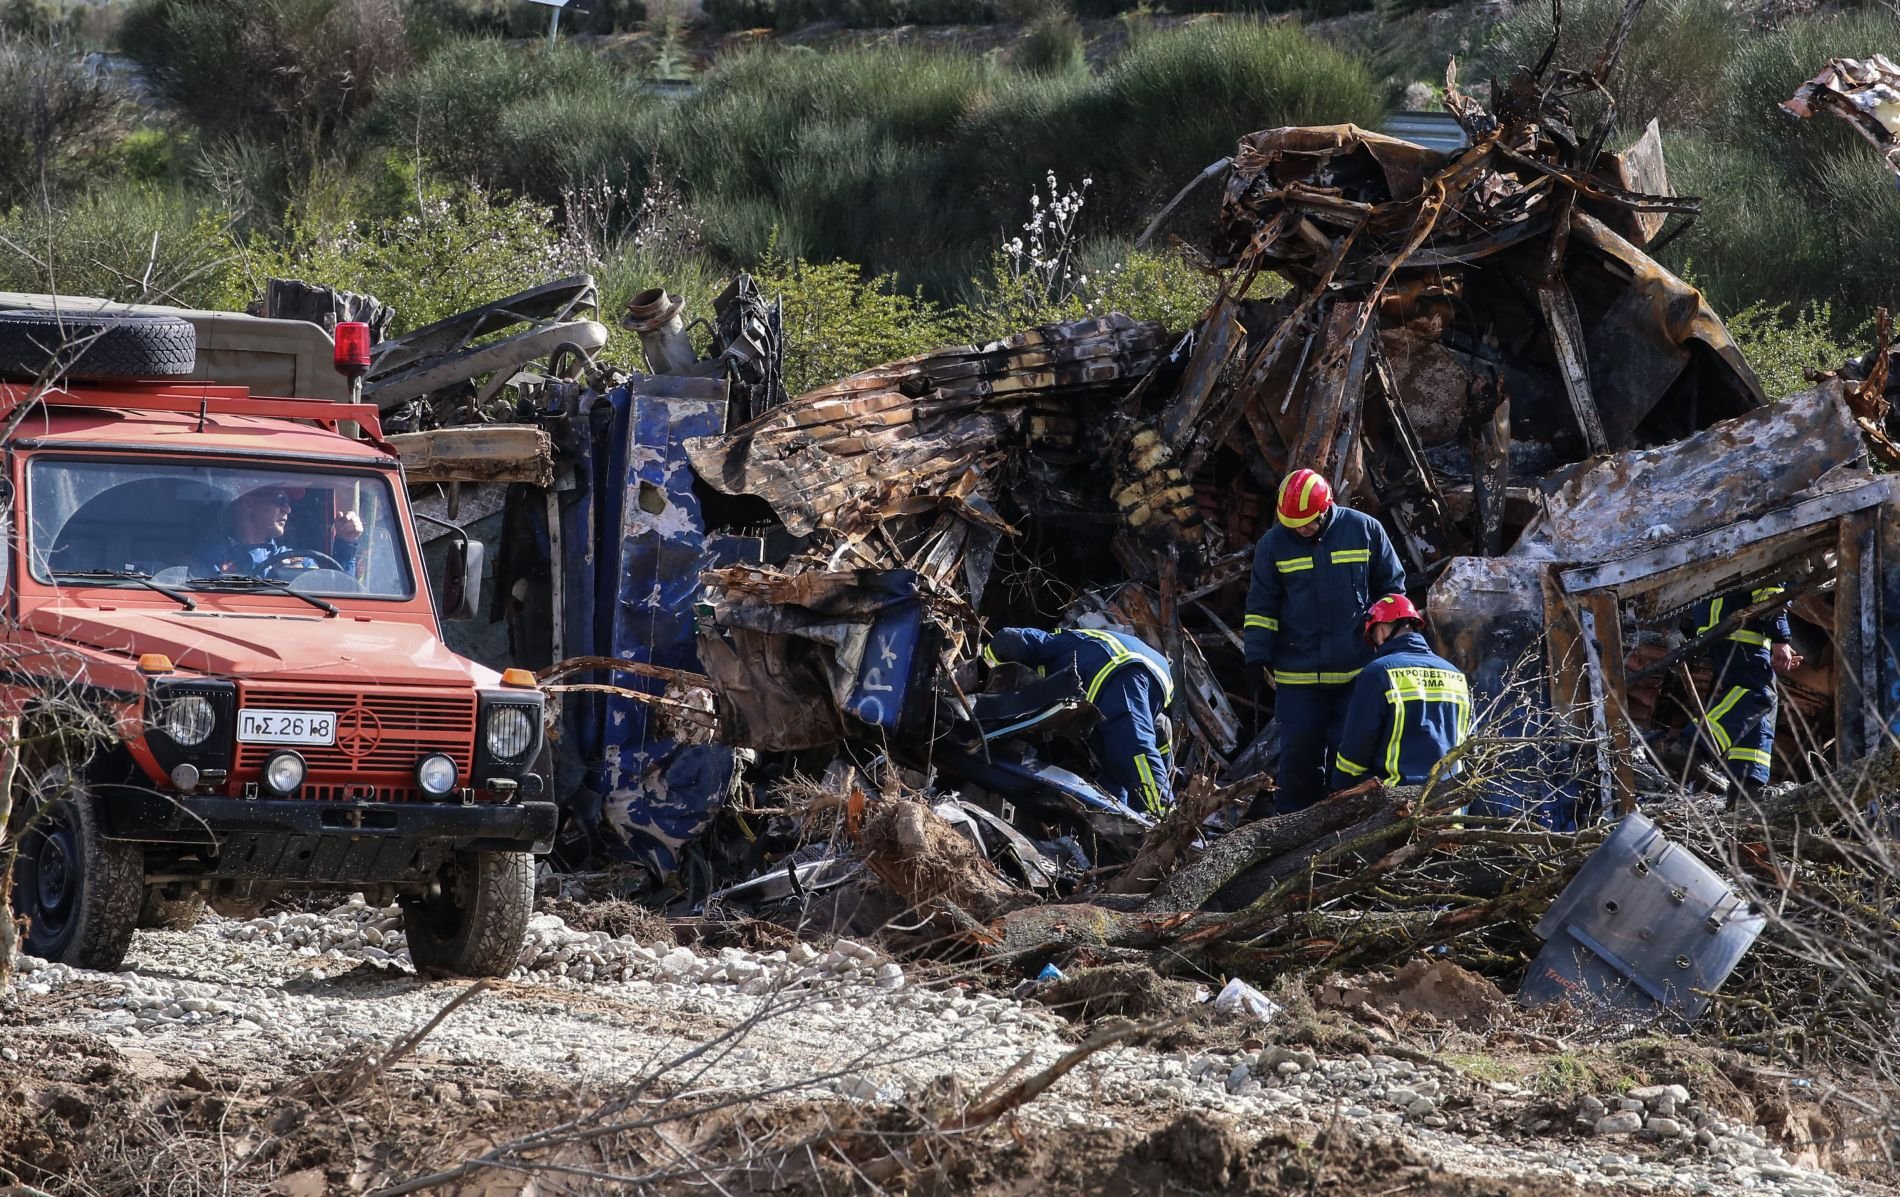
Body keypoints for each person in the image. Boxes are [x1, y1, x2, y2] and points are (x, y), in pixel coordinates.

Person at [1242, 468, 1405, 812]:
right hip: (1298, 679)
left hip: (1357, 675)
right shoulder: (1273, 545)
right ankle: (1293, 836)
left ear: (1326, 509)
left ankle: (1349, 831)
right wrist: (1256, 656)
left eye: (1306, 523)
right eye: (1293, 524)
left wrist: (1389, 649)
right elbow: (1261, 607)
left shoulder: (1364, 531)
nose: (1300, 530)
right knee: (1298, 763)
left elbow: (1392, 595)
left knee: (1352, 760)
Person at [982, 625, 1175, 816]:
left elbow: (1007, 638)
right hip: (1137, 674)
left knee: (1131, 749)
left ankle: (1164, 820)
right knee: (1111, 769)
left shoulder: (1040, 643)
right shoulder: (1062, 644)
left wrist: (985, 669)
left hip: (1117, 667)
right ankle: (1124, 827)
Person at [1330, 594, 1471, 792]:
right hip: (1450, 804)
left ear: (1379, 631)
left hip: (1396, 804)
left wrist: (1340, 787)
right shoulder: (1456, 675)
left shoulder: (1378, 673)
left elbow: (1357, 749)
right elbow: (1469, 743)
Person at [1682, 582, 1800, 801]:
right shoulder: (1777, 547)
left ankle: (1747, 785)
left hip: (1735, 628)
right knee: (1758, 694)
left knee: (1764, 705)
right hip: (1739, 627)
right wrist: (1780, 638)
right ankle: (1694, 747)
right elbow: (1769, 587)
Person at [190, 484, 363, 579]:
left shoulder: (297, 560)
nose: (287, 509)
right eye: (280, 500)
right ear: (249, 502)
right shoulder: (210, 556)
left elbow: (337, 599)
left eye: (288, 503)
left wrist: (346, 543)